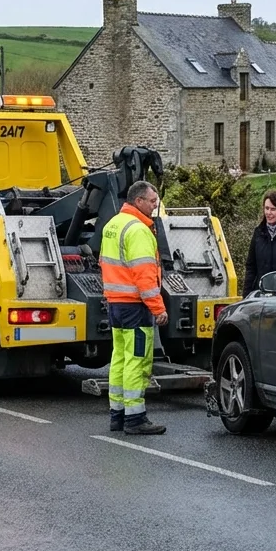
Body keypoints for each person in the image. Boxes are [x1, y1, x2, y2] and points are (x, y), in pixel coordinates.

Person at [99, 180, 169, 435]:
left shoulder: (112, 225)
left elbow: (104, 264)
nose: (155, 205)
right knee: (137, 360)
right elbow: (144, 276)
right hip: (135, 307)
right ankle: (135, 418)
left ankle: (117, 415)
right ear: (138, 201)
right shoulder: (138, 230)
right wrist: (158, 308)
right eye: (152, 201)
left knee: (119, 358)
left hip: (116, 304)